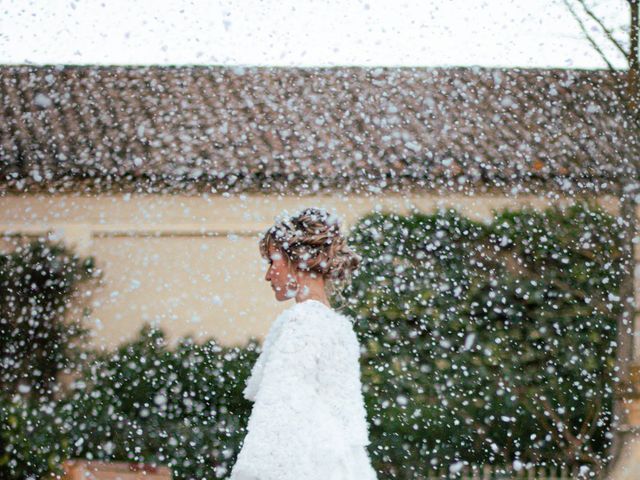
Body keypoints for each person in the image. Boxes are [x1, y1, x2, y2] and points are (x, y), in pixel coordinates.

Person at [228, 207, 378, 480]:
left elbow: (279, 413)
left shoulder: (302, 322)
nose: (268, 275)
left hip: (306, 465)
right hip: (339, 466)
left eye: (273, 262)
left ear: (299, 262)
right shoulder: (338, 326)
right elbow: (349, 422)